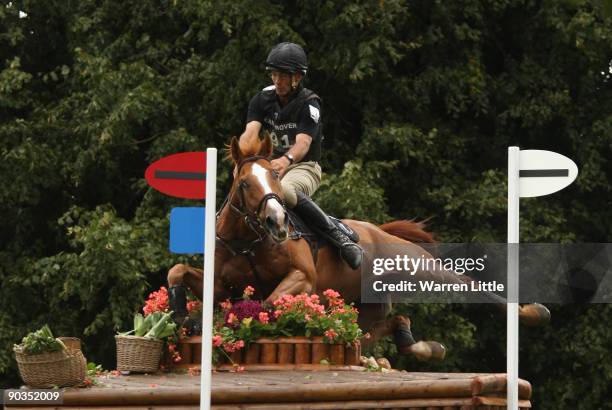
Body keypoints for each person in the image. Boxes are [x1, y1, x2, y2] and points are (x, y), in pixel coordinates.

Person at [237, 42, 362, 269]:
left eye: (283, 76)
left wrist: (286, 160)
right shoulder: (262, 99)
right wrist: (242, 160)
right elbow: (250, 132)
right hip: (271, 166)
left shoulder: (309, 104)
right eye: (274, 74)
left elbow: (303, 144)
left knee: (283, 190)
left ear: (297, 77)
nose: (276, 80)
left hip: (304, 167)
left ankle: (340, 237)